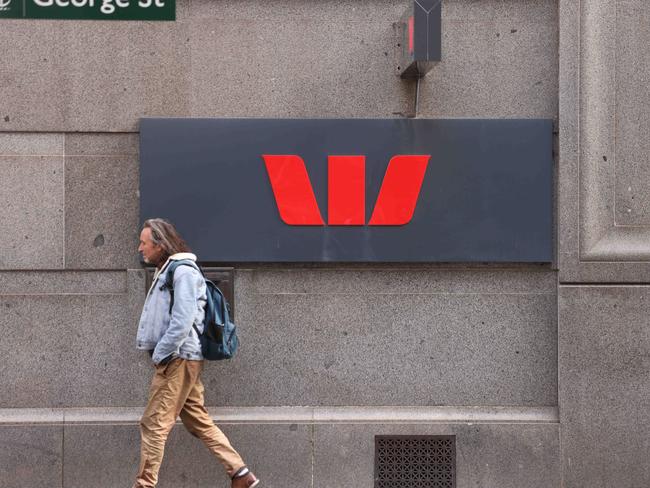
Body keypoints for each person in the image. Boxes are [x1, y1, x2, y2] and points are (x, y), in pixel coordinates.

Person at [133, 218, 259, 488]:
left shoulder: (183, 271)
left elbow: (183, 318)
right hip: (181, 358)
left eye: (144, 243)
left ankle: (144, 485)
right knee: (198, 420)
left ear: (160, 245)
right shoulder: (170, 270)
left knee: (153, 424)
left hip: (178, 359)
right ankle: (241, 474)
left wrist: (162, 353)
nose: (140, 248)